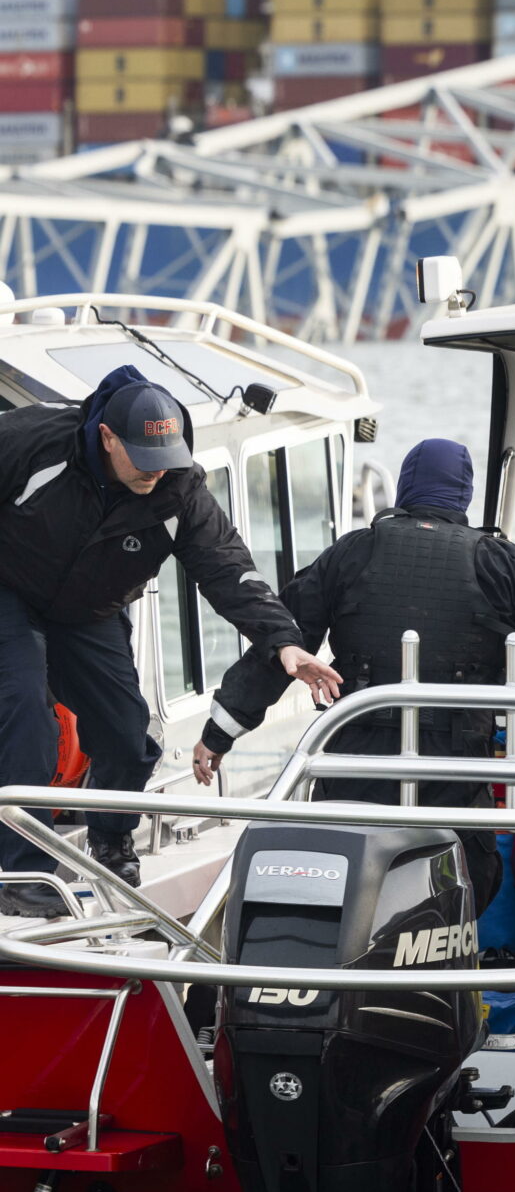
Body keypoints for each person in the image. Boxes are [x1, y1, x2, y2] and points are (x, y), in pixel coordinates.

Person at [196, 439, 515, 911]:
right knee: (467, 882)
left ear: (405, 488)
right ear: (463, 496)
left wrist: (219, 733)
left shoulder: (349, 553)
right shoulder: (500, 561)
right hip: (454, 766)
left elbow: (282, 644)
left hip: (355, 763)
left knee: (345, 881)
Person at [0, 366, 327, 910]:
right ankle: (20, 875)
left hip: (89, 608)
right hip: (8, 588)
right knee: (26, 713)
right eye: (144, 459)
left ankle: (109, 836)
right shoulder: (32, 442)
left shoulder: (178, 486)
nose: (156, 472)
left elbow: (226, 567)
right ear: (107, 437)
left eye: (165, 458)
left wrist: (282, 640)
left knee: (128, 733)